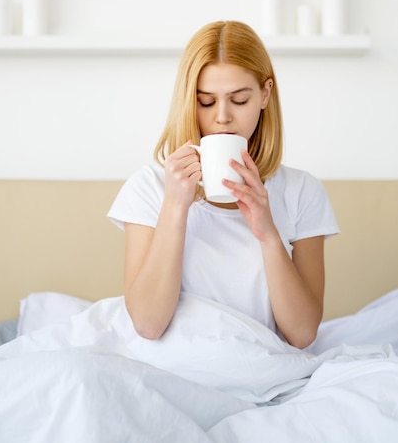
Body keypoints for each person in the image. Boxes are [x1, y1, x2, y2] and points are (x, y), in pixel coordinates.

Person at [108, 20, 339, 349]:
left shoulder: (301, 192)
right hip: (171, 369)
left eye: (239, 100)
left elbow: (302, 334)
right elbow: (147, 323)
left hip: (264, 368)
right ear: (189, 101)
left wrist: (268, 233)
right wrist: (175, 206)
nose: (222, 117)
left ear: (265, 94)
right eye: (206, 101)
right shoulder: (148, 188)